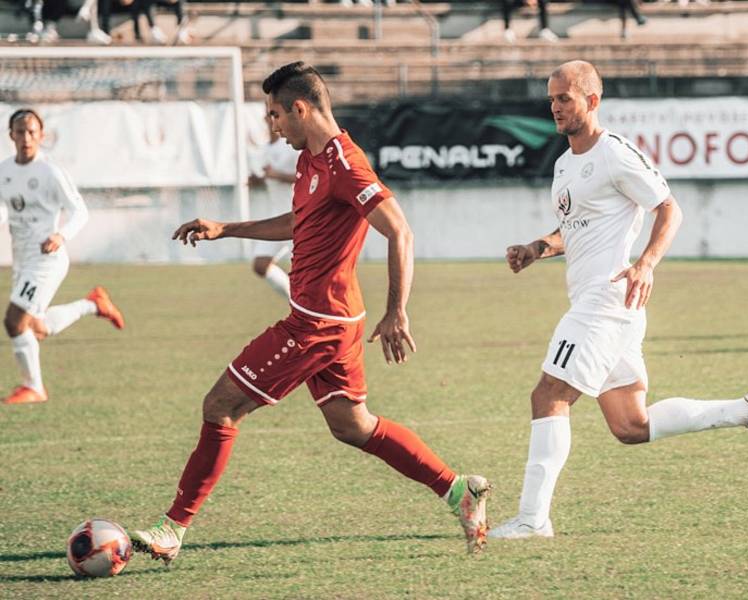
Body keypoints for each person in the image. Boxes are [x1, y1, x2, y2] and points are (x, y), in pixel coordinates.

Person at [130, 62, 491, 562]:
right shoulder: (310, 160)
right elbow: (300, 222)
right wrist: (226, 228)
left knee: (221, 406)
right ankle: (458, 491)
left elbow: (400, 230)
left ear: (300, 108)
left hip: (316, 324)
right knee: (353, 426)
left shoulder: (346, 165)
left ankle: (173, 528)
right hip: (332, 319)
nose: (272, 126)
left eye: (276, 115)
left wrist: (398, 311)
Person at [489, 60, 748, 540]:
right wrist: (536, 248)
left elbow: (669, 208)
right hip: (612, 309)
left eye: (564, 97)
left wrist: (646, 261)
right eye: (551, 99)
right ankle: (747, 410)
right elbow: (575, 229)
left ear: (592, 100)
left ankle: (532, 519)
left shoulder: (615, 154)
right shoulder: (565, 164)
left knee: (548, 395)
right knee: (631, 425)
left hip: (605, 301)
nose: (555, 107)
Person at [0, 109, 125, 406]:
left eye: (32, 132)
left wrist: (61, 235)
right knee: (35, 328)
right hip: (22, 258)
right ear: (11, 136)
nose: (26, 138)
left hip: (46, 259)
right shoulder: (4, 171)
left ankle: (34, 387)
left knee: (14, 321)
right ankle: (92, 304)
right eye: (20, 132)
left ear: (42, 136)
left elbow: (80, 211)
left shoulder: (50, 173)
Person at [248, 116, 300, 300]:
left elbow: (306, 176)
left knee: (304, 272)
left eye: (274, 115)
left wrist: (276, 175)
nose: (271, 122)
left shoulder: (291, 147)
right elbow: (269, 179)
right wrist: (258, 181)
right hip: (276, 217)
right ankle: (295, 302)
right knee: (260, 264)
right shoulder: (265, 149)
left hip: (296, 217)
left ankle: (307, 309)